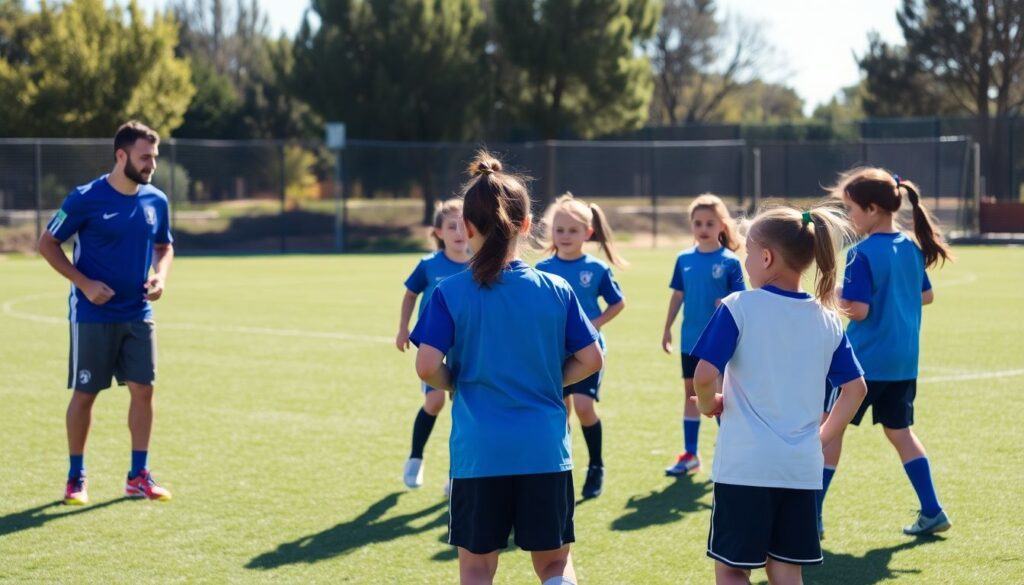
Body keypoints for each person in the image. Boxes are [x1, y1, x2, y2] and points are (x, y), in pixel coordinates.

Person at [411, 151, 603, 585]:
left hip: (480, 453)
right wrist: (551, 379)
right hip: (544, 450)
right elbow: (592, 358)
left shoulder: (450, 291)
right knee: (554, 565)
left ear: (467, 228)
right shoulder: (555, 288)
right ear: (526, 223)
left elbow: (426, 367)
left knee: (478, 567)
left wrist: (455, 380)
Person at [690, 203, 867, 585]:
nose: (746, 262)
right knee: (787, 570)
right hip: (800, 469)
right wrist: (822, 437)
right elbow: (855, 389)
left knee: (733, 569)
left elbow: (704, 375)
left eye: (748, 254)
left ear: (767, 257)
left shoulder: (739, 306)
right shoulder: (827, 319)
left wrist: (709, 404)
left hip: (744, 467)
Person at [37, 120, 174, 505]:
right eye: (145, 157)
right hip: (92, 316)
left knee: (144, 390)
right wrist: (84, 283)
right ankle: (75, 476)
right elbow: (47, 243)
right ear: (121, 155)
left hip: (138, 311)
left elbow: (165, 246)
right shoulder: (84, 198)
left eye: (154, 158)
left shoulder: (156, 201)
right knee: (85, 393)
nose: (151, 165)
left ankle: (138, 476)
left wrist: (160, 277)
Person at [818, 168, 954, 537]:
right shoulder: (910, 246)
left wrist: (832, 296)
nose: (848, 218)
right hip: (903, 362)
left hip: (861, 365)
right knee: (901, 433)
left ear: (873, 208)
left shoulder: (861, 253)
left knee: (828, 430)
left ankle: (809, 516)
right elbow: (926, 295)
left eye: (851, 210)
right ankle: (932, 509)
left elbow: (858, 310)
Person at [536, 193, 626, 499]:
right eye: (559, 230)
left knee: (585, 408)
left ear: (588, 233)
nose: (565, 236)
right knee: (560, 411)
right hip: (554, 353)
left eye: (572, 231)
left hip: (587, 353)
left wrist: (593, 325)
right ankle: (561, 468)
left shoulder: (596, 269)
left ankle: (596, 466)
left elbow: (617, 303)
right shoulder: (543, 268)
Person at [661, 194, 745, 476]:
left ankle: (731, 450)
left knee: (721, 395)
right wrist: (667, 327)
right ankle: (691, 454)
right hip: (690, 338)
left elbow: (742, 298)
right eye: (698, 223)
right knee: (690, 393)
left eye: (710, 222)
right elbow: (678, 295)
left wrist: (728, 301)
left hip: (719, 342)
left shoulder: (730, 261)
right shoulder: (683, 258)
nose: (703, 228)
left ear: (722, 225)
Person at [397, 199, 470, 494]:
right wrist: (404, 328)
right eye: (451, 226)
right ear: (438, 232)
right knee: (435, 402)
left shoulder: (479, 264)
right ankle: (416, 456)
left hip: (465, 344)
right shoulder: (429, 265)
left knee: (464, 409)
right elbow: (410, 295)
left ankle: (457, 474)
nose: (459, 232)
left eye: (464, 226)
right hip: (434, 344)